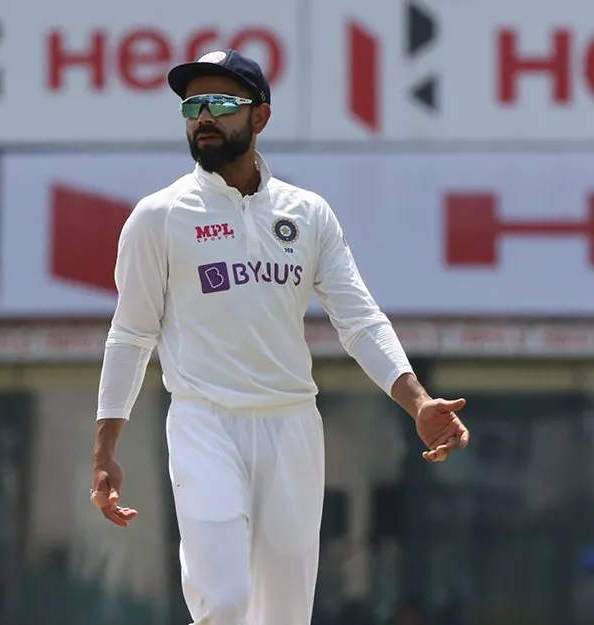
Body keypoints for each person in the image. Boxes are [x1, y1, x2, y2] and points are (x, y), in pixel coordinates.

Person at [89, 49, 470, 625]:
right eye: (193, 105)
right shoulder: (158, 216)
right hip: (204, 421)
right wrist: (105, 448)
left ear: (260, 117)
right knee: (222, 601)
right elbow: (131, 334)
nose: (203, 117)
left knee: (285, 615)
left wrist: (416, 401)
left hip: (292, 426)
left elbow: (359, 319)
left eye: (220, 103)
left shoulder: (308, 213)